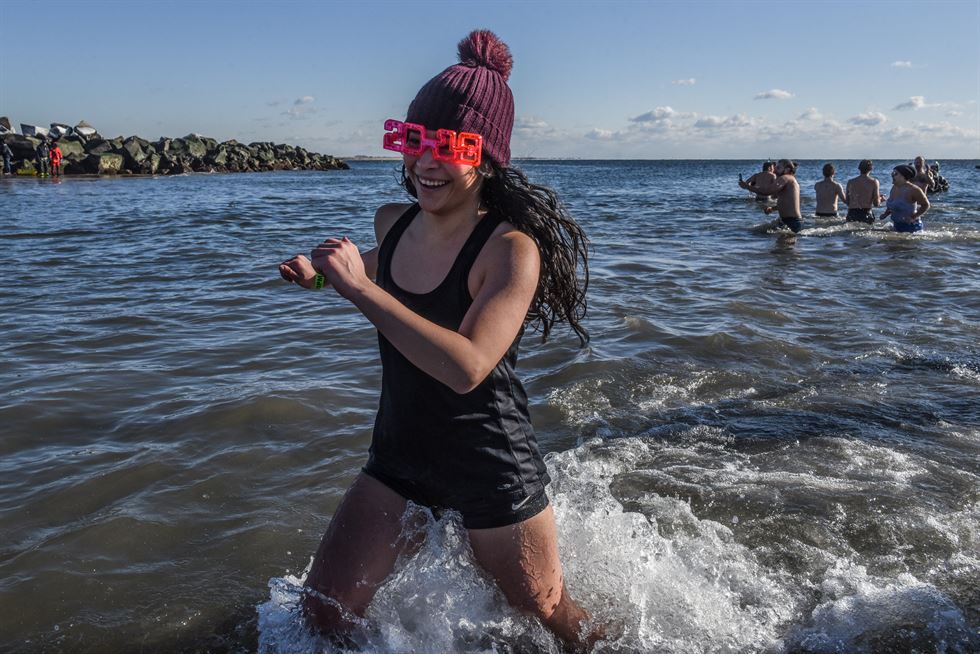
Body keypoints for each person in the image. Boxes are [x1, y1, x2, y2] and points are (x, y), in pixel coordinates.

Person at [278, 30, 600, 650]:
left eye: (447, 146)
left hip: (490, 464)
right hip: (400, 453)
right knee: (322, 615)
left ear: (485, 156)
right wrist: (322, 274)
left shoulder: (509, 251)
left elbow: (469, 365)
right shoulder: (393, 223)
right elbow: (377, 265)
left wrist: (357, 292)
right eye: (412, 140)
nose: (425, 162)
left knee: (549, 616)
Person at [745, 159, 803, 233]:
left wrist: (747, 186)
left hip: (792, 222)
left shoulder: (785, 178)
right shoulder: (790, 180)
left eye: (778, 168)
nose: (775, 170)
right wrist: (773, 208)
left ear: (787, 169)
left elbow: (767, 191)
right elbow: (787, 203)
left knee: (756, 233)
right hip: (788, 220)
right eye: (775, 168)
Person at [880, 164, 930, 233]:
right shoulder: (894, 187)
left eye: (895, 173)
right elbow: (894, 204)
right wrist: (885, 214)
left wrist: (913, 217)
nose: (892, 175)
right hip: (897, 225)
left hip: (911, 227)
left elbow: (926, 205)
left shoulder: (914, 190)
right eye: (892, 173)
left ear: (904, 176)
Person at [843, 159, 883, 224]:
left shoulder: (850, 182)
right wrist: (880, 199)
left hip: (852, 213)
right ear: (871, 169)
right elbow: (876, 204)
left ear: (859, 168)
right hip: (866, 213)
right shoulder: (874, 182)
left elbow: (848, 202)